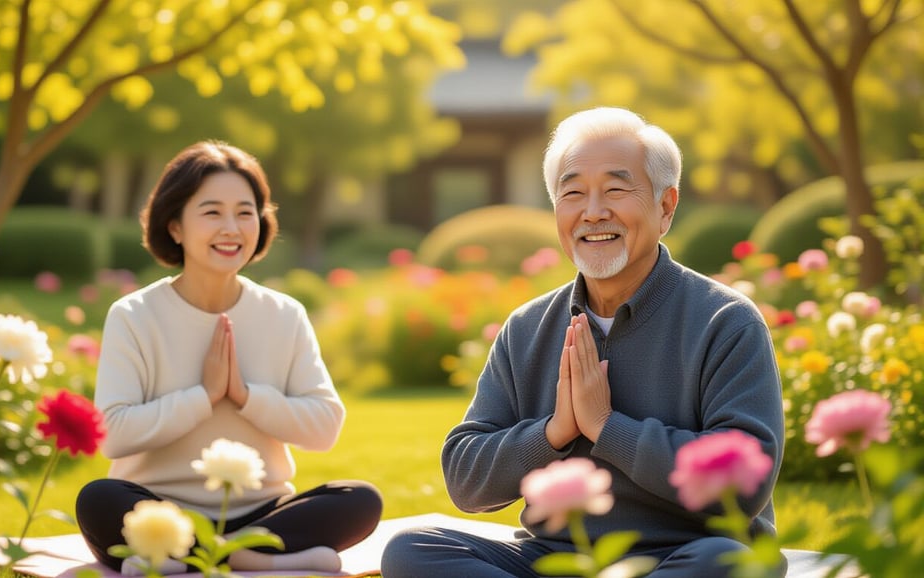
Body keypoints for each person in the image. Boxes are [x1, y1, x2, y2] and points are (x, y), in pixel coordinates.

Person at [381, 107, 785, 578]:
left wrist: (607, 428)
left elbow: (745, 485)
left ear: (666, 206)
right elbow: (468, 481)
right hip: (557, 560)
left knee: (730, 562)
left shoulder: (724, 320)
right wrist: (554, 432)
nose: (593, 212)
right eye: (573, 193)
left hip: (682, 556)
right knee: (413, 550)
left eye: (616, 189)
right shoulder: (528, 327)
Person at [76, 141, 382, 575]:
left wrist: (243, 395)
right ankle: (247, 558)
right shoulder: (134, 315)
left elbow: (324, 426)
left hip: (261, 513)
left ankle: (212, 555)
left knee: (361, 500)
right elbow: (114, 433)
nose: (232, 228)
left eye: (244, 212)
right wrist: (202, 397)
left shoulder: (283, 314)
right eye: (212, 212)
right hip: (160, 514)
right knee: (98, 499)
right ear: (175, 226)